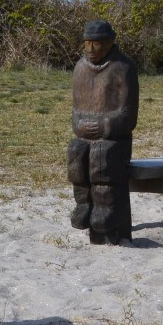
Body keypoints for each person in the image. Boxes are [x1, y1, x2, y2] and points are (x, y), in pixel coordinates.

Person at [68, 20, 139, 244]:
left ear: (109, 43)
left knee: (102, 157)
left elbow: (128, 115)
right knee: (76, 152)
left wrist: (105, 126)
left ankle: (106, 208)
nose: (90, 49)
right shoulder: (80, 68)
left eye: (96, 44)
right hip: (86, 135)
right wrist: (80, 125)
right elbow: (76, 111)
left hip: (114, 139)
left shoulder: (123, 68)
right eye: (87, 43)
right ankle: (84, 204)